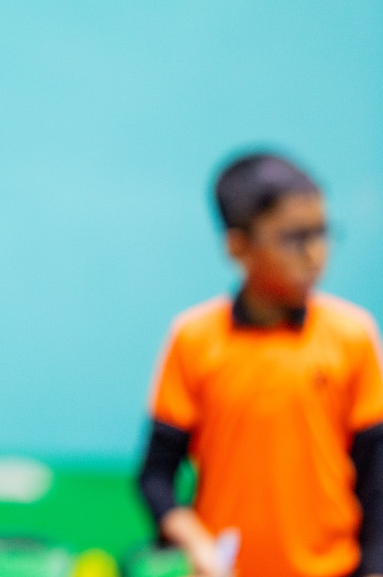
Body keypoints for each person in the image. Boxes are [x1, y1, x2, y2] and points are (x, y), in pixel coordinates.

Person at [138, 152, 383, 577]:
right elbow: (155, 477)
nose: (315, 254)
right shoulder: (194, 338)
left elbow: (377, 479)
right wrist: (195, 540)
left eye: (321, 233)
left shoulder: (352, 335)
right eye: (294, 237)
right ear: (238, 246)